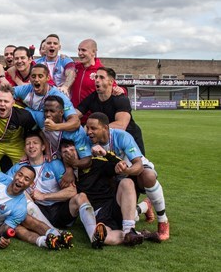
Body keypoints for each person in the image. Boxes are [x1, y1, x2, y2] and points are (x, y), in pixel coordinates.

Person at [85, 112, 169, 241]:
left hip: (135, 172)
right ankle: (143, 207)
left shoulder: (122, 136)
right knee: (120, 215)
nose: (89, 132)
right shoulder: (88, 141)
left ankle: (163, 222)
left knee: (148, 176)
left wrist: (127, 170)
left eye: (93, 128)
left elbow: (139, 165)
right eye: (87, 128)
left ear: (106, 128)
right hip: (117, 178)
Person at [60, 139, 147, 248]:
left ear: (78, 151)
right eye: (65, 152)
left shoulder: (96, 163)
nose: (69, 153)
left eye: (72, 150)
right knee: (103, 237)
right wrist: (69, 170)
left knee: (127, 182)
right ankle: (135, 234)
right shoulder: (63, 175)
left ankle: (129, 228)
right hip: (98, 215)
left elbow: (121, 167)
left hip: (114, 206)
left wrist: (106, 154)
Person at [6, 133, 76, 250]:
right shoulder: (19, 168)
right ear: (24, 149)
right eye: (28, 144)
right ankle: (55, 233)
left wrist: (44, 196)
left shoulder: (54, 163)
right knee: (21, 193)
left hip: (59, 210)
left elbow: (72, 191)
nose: (31, 146)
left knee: (81, 197)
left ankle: (94, 233)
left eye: (35, 143)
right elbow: (5, 184)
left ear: (43, 147)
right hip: (38, 212)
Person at [77, 67, 146, 155]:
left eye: (101, 77)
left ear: (111, 81)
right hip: (107, 139)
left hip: (129, 138)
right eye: (96, 77)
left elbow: (121, 125)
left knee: (137, 167)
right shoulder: (92, 98)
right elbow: (75, 114)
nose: (97, 80)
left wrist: (93, 128)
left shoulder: (120, 99)